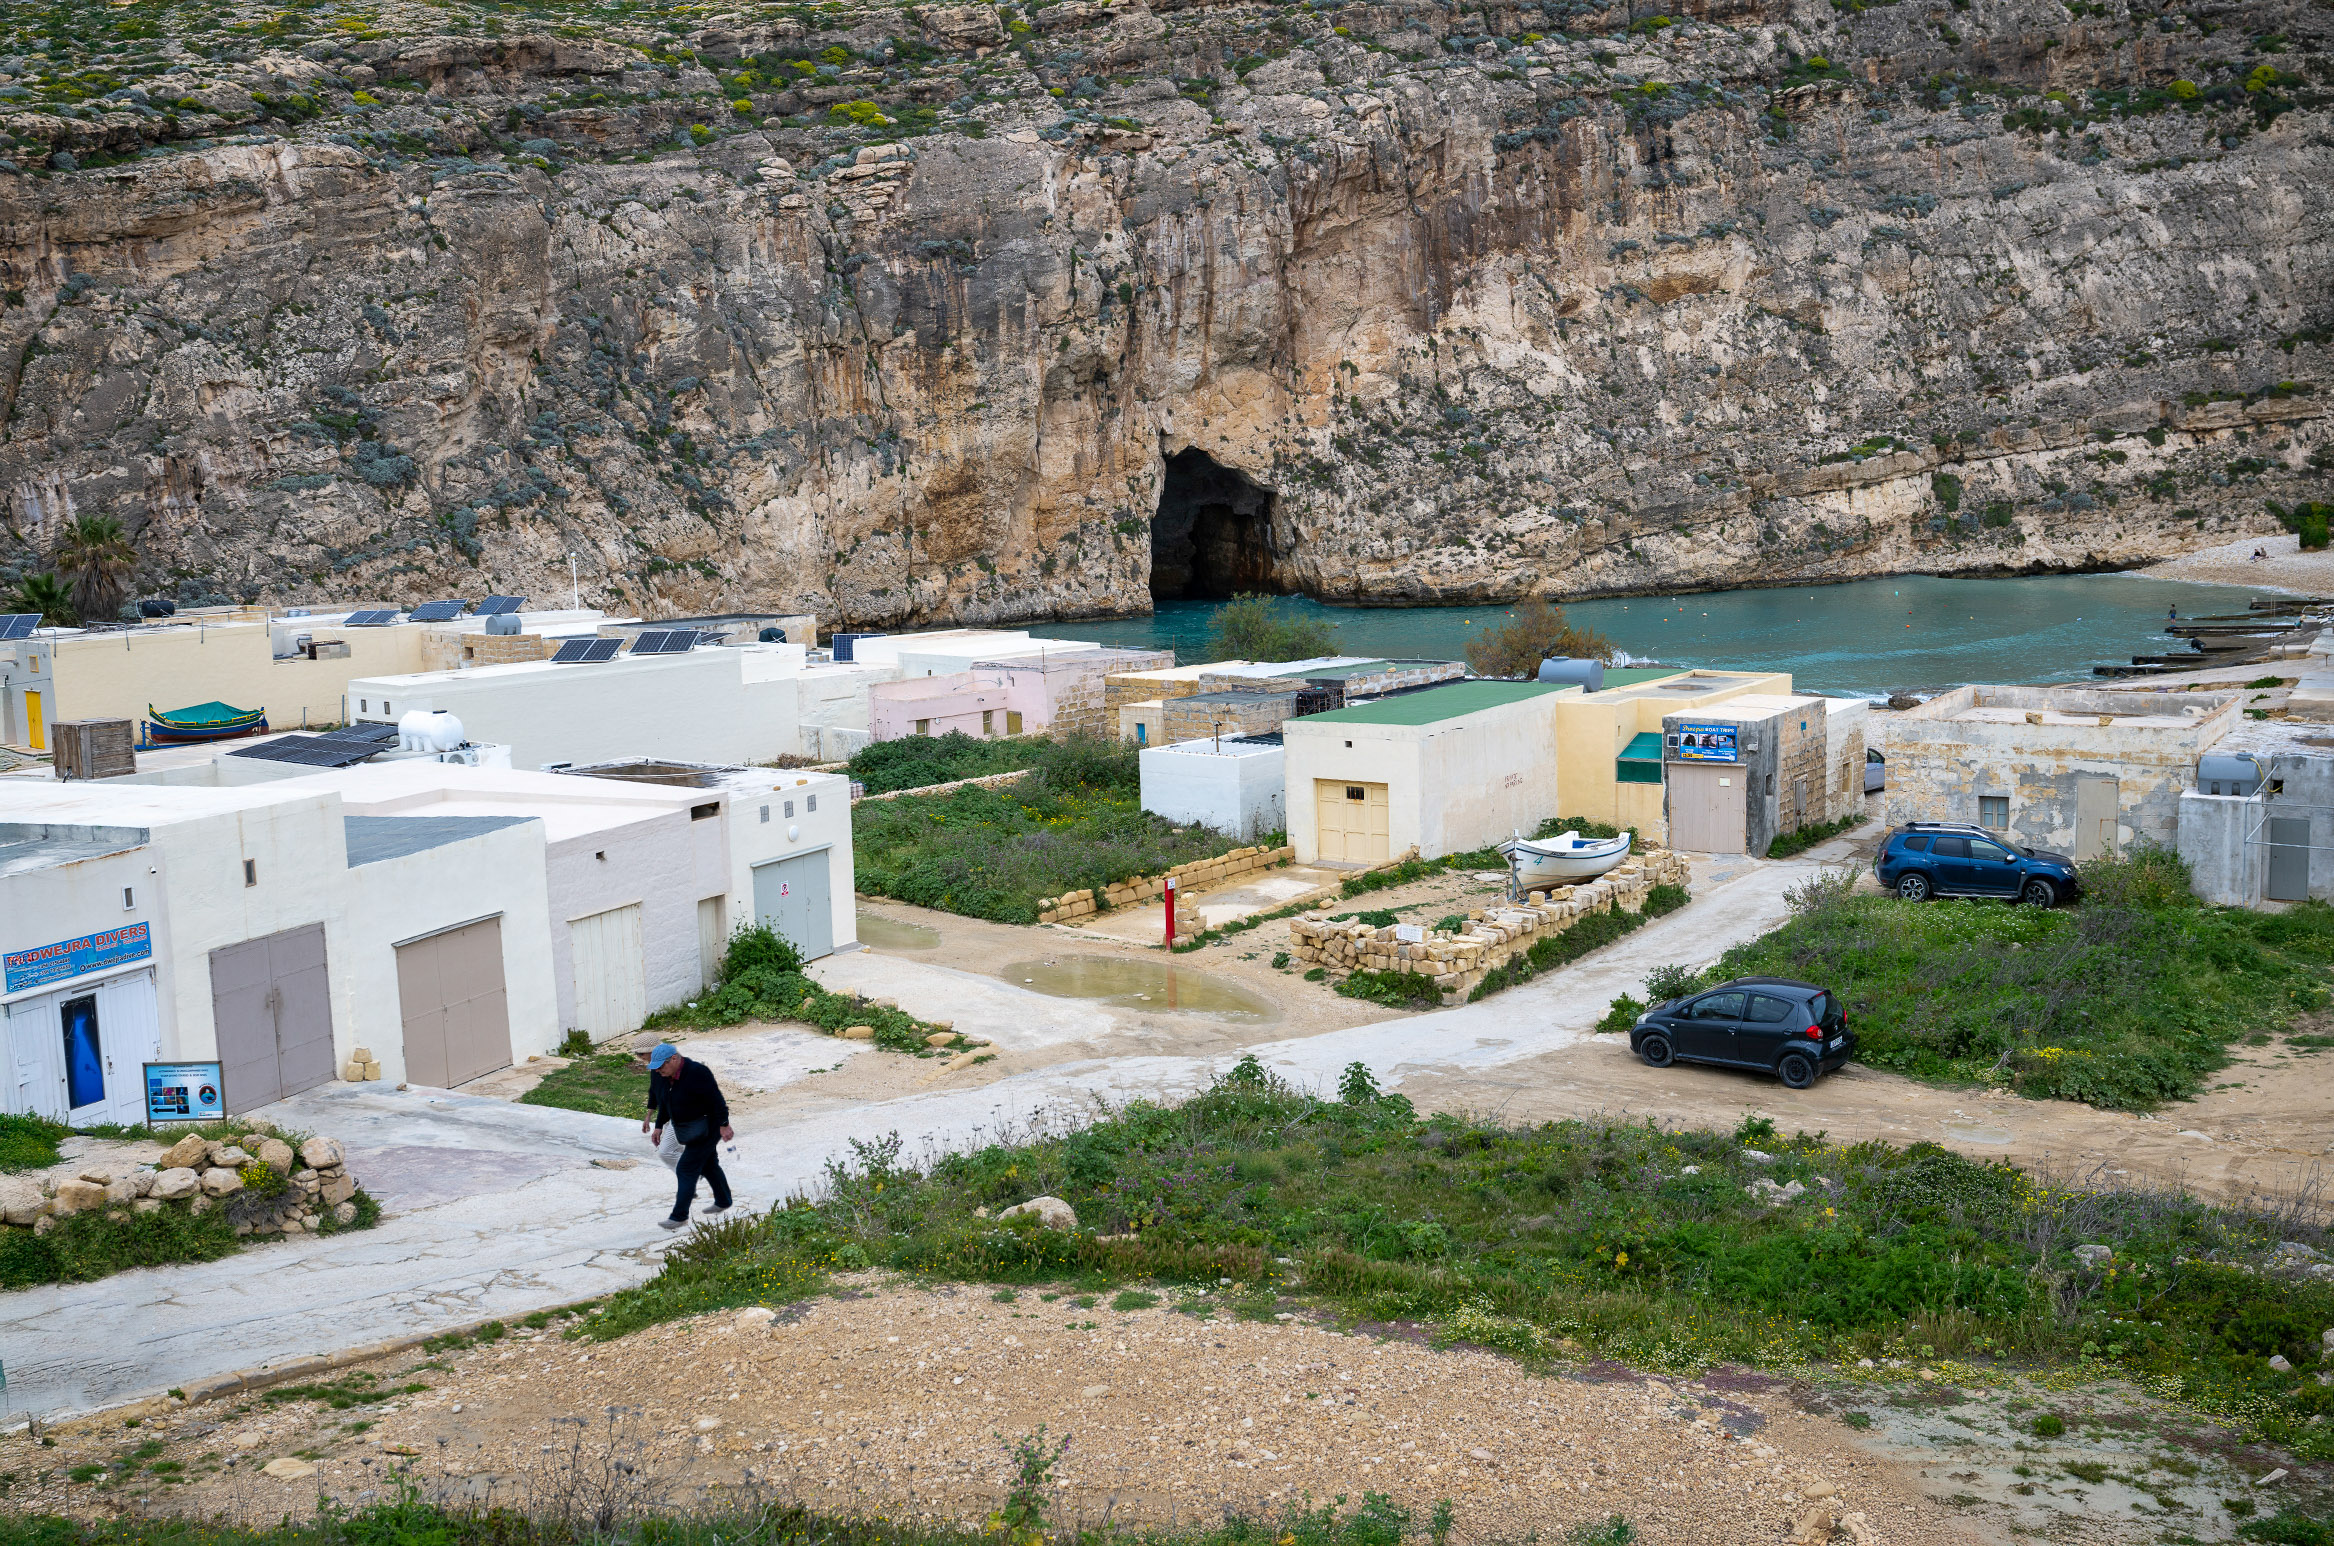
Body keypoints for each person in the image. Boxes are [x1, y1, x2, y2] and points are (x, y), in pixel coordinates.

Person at [644, 1042, 732, 1230]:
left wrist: (724, 1124)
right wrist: (659, 1126)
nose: (658, 1071)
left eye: (661, 1066)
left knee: (685, 1168)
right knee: (708, 1164)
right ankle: (724, 1200)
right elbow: (665, 1103)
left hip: (708, 1126)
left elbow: (717, 1100)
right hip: (687, 1126)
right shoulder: (664, 1076)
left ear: (674, 1059)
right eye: (656, 1068)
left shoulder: (697, 1072)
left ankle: (679, 1216)